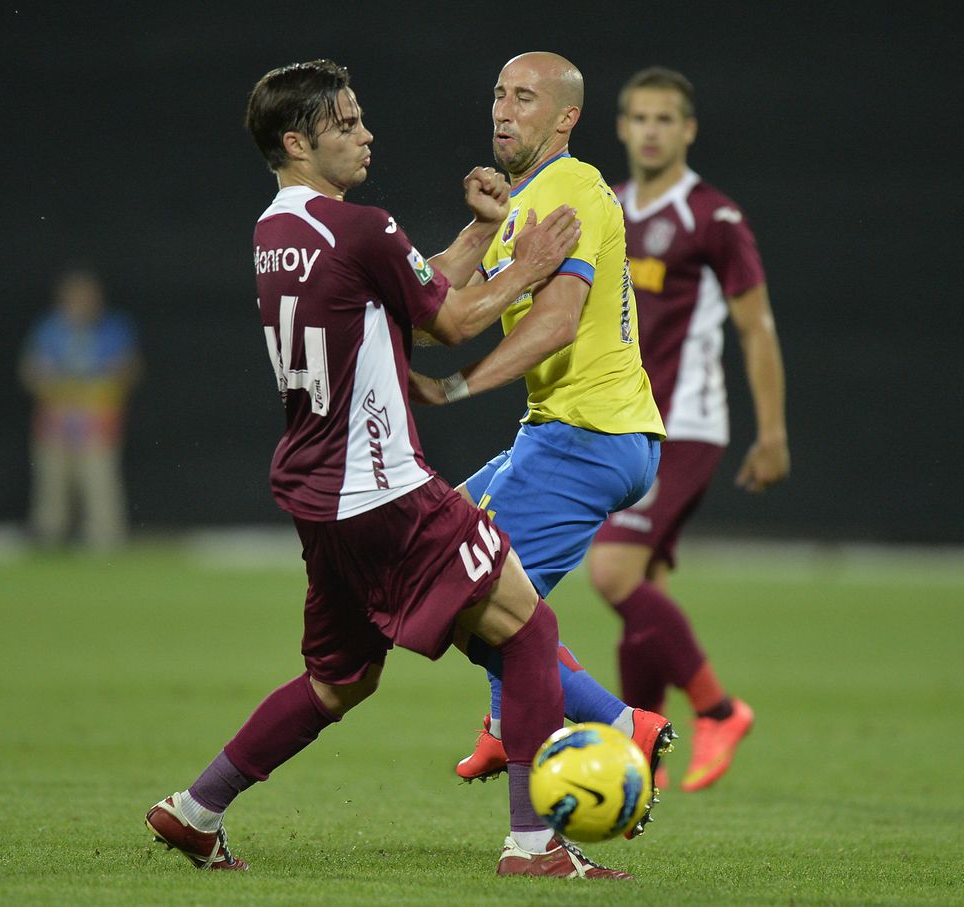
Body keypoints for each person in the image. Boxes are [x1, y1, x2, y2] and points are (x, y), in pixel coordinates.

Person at [145, 59, 635, 880]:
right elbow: (451, 318)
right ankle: (534, 843)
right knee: (530, 627)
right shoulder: (360, 226)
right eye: (346, 123)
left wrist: (481, 231)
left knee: (340, 680)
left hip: (316, 491)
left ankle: (196, 809)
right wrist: (532, 261)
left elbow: (411, 286)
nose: (366, 133)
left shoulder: (277, 232)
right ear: (298, 141)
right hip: (388, 492)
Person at [408, 52, 673, 832]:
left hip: (590, 436)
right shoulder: (519, 200)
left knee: (457, 588)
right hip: (563, 434)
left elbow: (557, 319)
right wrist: (480, 228)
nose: (504, 111)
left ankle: (626, 730)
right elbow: (436, 302)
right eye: (497, 94)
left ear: (565, 119)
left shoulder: (573, 190)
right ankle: (504, 719)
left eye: (525, 99)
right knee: (432, 556)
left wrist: (458, 388)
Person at [587, 66, 790, 792]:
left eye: (665, 118)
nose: (650, 130)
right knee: (643, 588)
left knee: (610, 571)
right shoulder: (604, 206)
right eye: (638, 117)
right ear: (619, 126)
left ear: (688, 129)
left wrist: (772, 433)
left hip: (685, 425)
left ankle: (719, 708)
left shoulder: (715, 219)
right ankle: (646, 753)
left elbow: (756, 327)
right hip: (620, 422)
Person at [18, 266, 141, 550]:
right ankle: (48, 538)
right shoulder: (49, 329)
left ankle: (105, 540)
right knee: (52, 485)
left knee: (99, 483)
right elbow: (31, 371)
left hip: (96, 419)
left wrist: (97, 388)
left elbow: (128, 370)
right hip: (56, 420)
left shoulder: (112, 329)